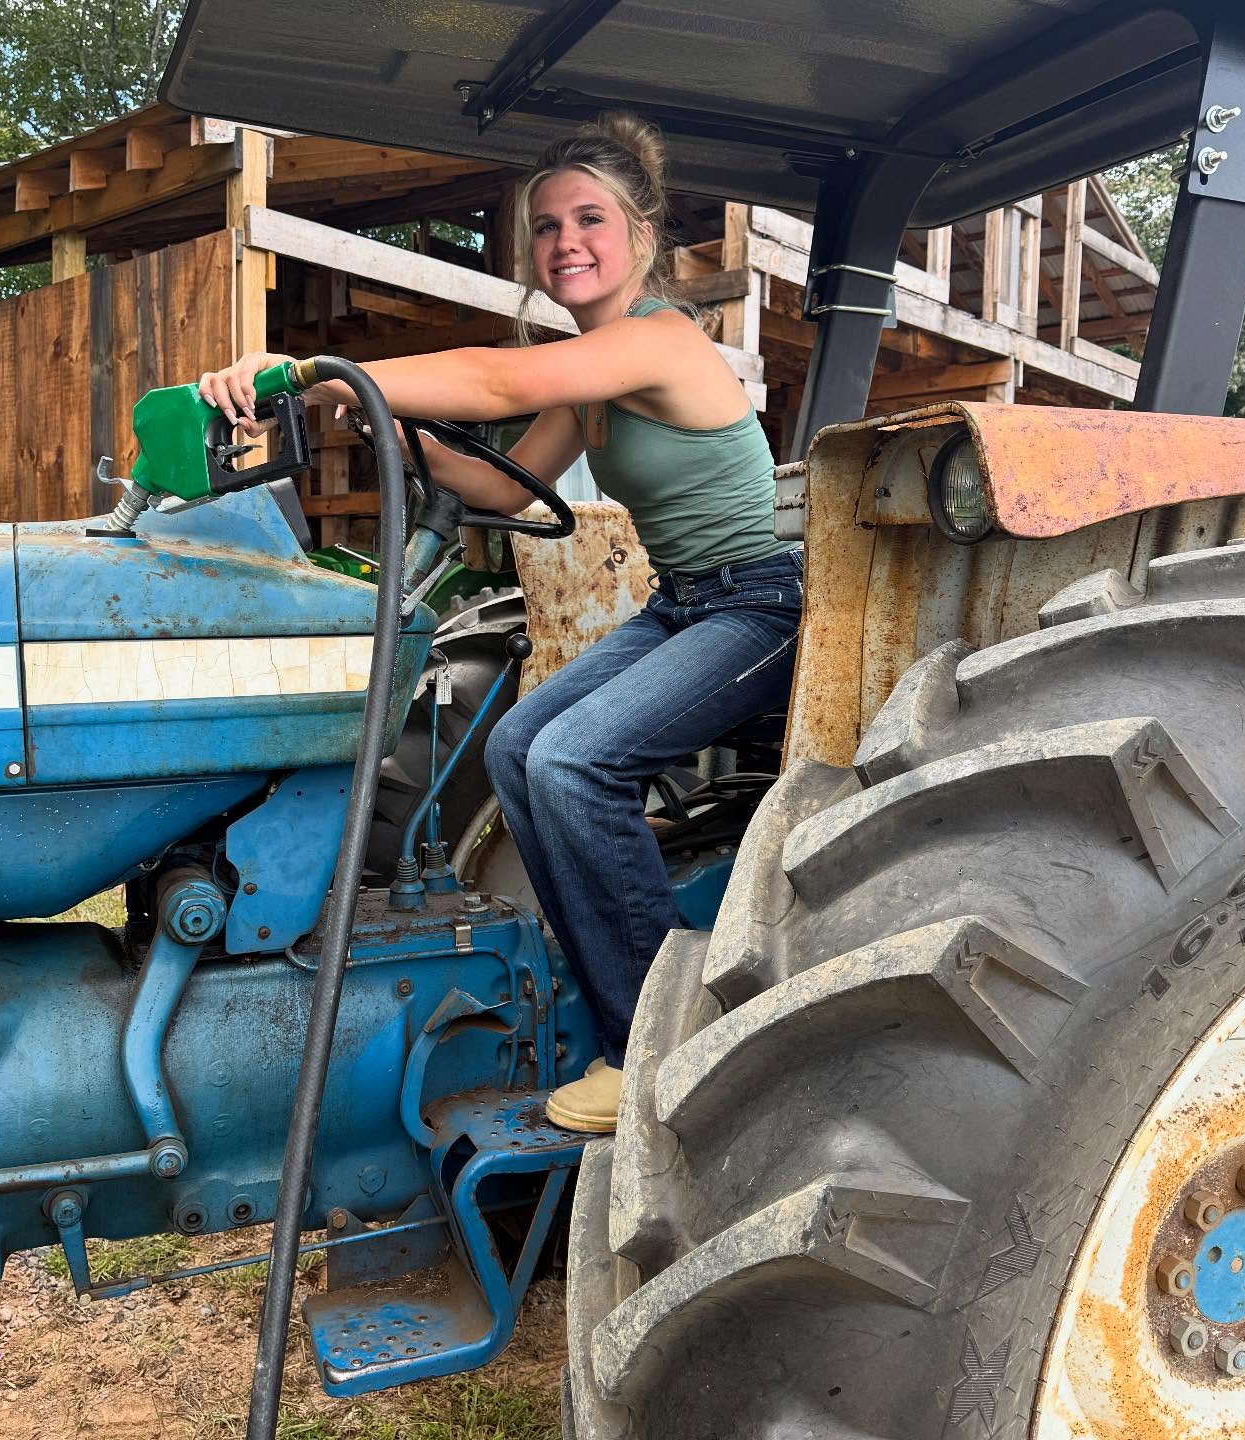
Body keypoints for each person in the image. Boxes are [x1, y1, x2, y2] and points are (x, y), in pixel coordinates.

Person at [200, 113, 802, 1133]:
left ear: (644, 236)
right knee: (521, 742)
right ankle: (618, 975)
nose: (565, 241)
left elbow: (498, 379)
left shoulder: (658, 340)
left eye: (589, 219)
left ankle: (664, 1042)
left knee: (572, 762)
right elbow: (506, 484)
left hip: (759, 607)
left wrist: (306, 371)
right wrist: (393, 431)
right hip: (685, 603)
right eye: (545, 226)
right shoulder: (599, 375)